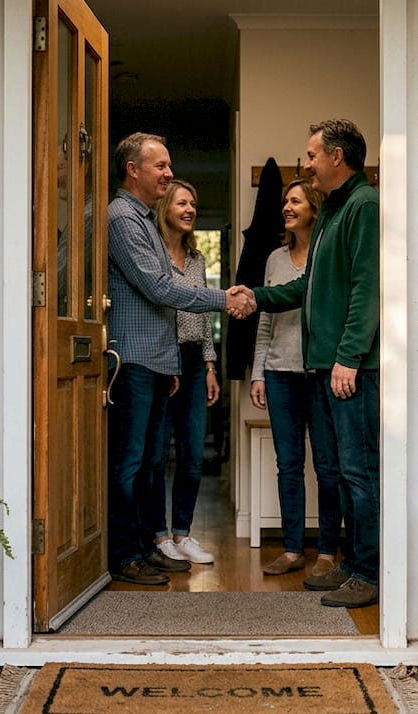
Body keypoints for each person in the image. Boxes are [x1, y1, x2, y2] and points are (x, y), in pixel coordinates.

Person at [233, 119, 381, 608]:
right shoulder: (333, 212)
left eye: (313, 154)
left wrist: (348, 358)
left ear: (337, 157)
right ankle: (353, 563)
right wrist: (255, 296)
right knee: (339, 467)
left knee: (357, 472)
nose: (307, 163)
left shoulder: (363, 206)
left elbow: (367, 288)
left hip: (347, 369)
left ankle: (368, 570)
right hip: (323, 368)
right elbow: (305, 288)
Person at [107, 132, 254, 586]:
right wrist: (223, 299)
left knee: (152, 460)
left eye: (169, 166)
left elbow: (165, 305)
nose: (169, 174)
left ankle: (144, 547)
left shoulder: (144, 221)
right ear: (134, 169)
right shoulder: (121, 218)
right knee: (130, 463)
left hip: (156, 361)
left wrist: (174, 363)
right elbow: (158, 287)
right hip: (131, 361)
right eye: (161, 166)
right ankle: (123, 554)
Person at [250, 179, 344, 578]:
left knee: (327, 466)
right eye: (285, 201)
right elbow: (266, 320)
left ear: (314, 207)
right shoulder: (274, 259)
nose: (286, 207)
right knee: (287, 464)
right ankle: (291, 550)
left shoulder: (328, 255)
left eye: (295, 201)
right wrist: (258, 372)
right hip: (278, 373)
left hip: (319, 373)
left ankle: (326, 551)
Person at [149, 179, 218, 565]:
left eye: (193, 203)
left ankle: (183, 534)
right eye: (182, 203)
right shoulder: (153, 254)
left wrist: (209, 365)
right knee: (158, 453)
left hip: (192, 362)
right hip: (161, 358)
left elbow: (203, 315)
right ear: (165, 209)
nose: (190, 209)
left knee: (192, 454)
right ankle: (159, 537)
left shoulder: (197, 259)